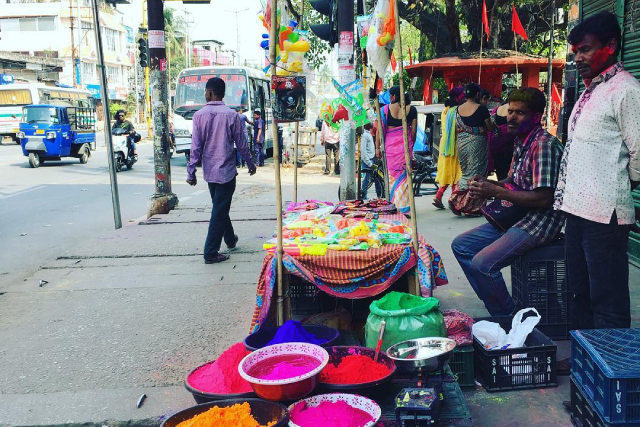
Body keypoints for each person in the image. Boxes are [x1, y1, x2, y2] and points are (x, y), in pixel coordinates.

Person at [554, 11, 640, 331]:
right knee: (578, 293)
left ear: (611, 46)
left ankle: (610, 369)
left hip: (606, 215)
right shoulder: (590, 90)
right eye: (575, 51)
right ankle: (583, 365)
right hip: (576, 210)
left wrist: (617, 184)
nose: (578, 57)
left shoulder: (626, 90)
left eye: (585, 49)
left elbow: (639, 153)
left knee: (607, 299)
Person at [451, 88, 565, 316]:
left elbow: (544, 199)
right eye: (510, 111)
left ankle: (511, 318)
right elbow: (513, 181)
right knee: (461, 246)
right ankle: (499, 308)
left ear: (536, 117)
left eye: (519, 113)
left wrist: (496, 191)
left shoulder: (543, 145)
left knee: (483, 264)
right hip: (518, 214)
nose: (511, 117)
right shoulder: (521, 141)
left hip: (540, 220)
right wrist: (486, 187)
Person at [187, 77, 257, 264]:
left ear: (209, 93)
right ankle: (210, 252)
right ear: (223, 94)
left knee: (220, 207)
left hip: (210, 171)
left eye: (205, 92)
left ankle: (230, 239)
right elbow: (241, 144)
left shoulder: (198, 115)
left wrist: (191, 171)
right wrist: (250, 163)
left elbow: (196, 147)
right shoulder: (231, 115)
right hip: (226, 171)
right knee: (220, 208)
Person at [448, 83, 493, 217]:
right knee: (477, 174)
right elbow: (489, 127)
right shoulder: (482, 109)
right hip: (477, 143)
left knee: (466, 172)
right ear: (477, 94)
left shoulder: (457, 109)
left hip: (461, 144)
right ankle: (470, 206)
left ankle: (458, 200)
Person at [380, 86, 418, 214]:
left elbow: (380, 131)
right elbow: (413, 132)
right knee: (405, 177)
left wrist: (377, 148)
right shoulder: (412, 110)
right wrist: (410, 144)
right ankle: (404, 207)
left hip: (390, 147)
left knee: (392, 177)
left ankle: (393, 205)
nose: (389, 98)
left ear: (394, 96)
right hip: (404, 147)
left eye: (390, 95)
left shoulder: (384, 110)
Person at [433, 87, 465, 209]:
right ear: (458, 98)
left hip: (445, 144)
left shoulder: (445, 111)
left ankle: (439, 196)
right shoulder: (457, 111)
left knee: (447, 171)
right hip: (455, 144)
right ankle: (453, 199)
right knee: (456, 173)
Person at [487, 101, 515, 181]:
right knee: (509, 170)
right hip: (508, 143)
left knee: (500, 170)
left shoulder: (497, 109)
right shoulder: (512, 110)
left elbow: (492, 124)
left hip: (496, 142)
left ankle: (501, 187)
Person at [360, 123, 381, 199]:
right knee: (366, 179)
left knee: (376, 177)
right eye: (370, 122)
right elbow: (363, 151)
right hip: (367, 160)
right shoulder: (365, 136)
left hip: (371, 158)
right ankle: (363, 196)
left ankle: (379, 194)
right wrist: (369, 163)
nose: (372, 123)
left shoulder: (368, 134)